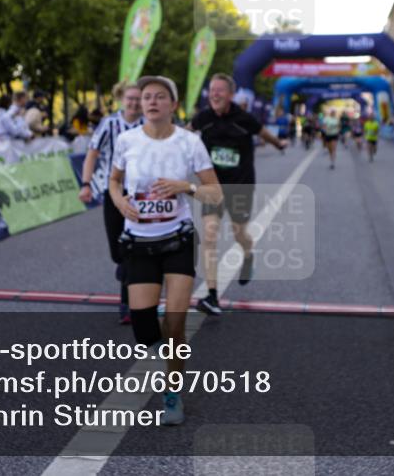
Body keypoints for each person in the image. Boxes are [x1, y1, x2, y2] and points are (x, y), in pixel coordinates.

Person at [108, 75, 222, 425]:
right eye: (146, 97)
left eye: (159, 96)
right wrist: (120, 202)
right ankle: (169, 357)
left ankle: (173, 392)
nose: (151, 102)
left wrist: (185, 186)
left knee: (175, 323)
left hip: (177, 238)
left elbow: (214, 193)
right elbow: (114, 181)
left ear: (173, 104)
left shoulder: (190, 143)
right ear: (139, 104)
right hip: (139, 241)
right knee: (145, 330)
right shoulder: (127, 141)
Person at [189, 73, 288, 316]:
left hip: (240, 185)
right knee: (209, 235)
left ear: (231, 94)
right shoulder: (204, 117)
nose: (214, 94)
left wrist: (278, 144)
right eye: (211, 90)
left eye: (220, 90)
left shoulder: (244, 118)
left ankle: (248, 255)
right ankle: (212, 296)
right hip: (213, 186)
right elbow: (183, 134)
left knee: (238, 232)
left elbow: (264, 133)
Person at [79, 81, 143, 324]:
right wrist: (86, 184)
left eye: (138, 99)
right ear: (121, 99)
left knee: (131, 248)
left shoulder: (146, 125)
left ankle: (126, 304)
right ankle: (121, 264)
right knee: (117, 251)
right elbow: (92, 154)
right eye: (130, 98)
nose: (134, 103)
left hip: (139, 195)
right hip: (112, 191)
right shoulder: (109, 124)